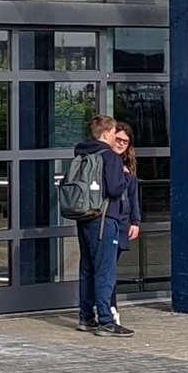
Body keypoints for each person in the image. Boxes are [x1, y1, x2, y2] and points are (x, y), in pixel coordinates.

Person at [72, 114, 135, 337]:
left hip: (84, 216)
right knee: (105, 271)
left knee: (87, 268)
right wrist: (126, 177)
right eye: (113, 133)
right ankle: (107, 321)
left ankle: (85, 317)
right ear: (107, 133)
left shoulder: (81, 151)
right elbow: (116, 189)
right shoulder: (110, 157)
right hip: (105, 218)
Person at [107, 122, 144, 327]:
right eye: (118, 139)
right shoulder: (107, 162)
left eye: (125, 141)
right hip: (109, 221)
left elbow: (133, 196)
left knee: (112, 267)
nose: (121, 144)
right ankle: (109, 308)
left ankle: (109, 307)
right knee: (107, 268)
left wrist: (135, 221)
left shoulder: (128, 165)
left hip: (123, 222)